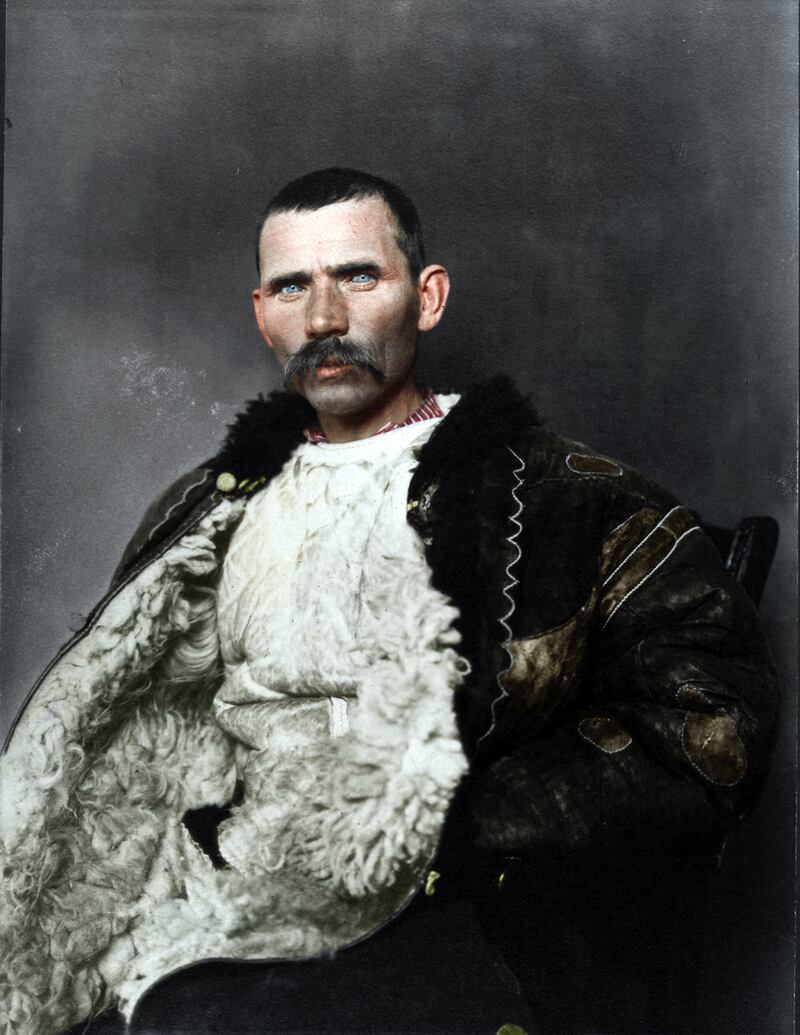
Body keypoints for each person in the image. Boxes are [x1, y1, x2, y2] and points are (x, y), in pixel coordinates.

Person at [0, 168, 779, 1035]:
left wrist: (454, 819)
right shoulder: (204, 505)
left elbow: (711, 717)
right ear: (262, 313)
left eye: (358, 277)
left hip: (445, 919)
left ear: (428, 295)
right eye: (293, 286)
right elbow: (128, 730)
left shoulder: (563, 492)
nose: (325, 319)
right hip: (208, 890)